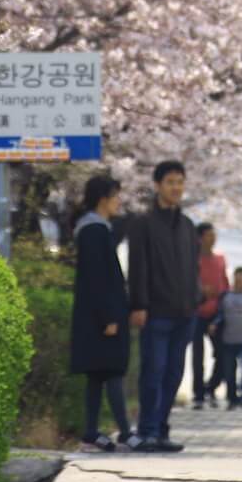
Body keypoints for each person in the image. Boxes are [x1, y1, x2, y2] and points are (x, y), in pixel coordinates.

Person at [128, 157, 199, 452]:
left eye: (180, 182)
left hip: (185, 312)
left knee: (173, 374)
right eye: (170, 182)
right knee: (153, 372)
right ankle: (147, 430)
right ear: (157, 186)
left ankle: (162, 428)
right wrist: (138, 305)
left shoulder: (186, 225)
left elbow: (192, 266)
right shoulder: (143, 223)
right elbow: (137, 267)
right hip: (156, 311)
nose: (176, 188)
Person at [69, 174, 137, 450]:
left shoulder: (96, 228)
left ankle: (92, 431)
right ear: (103, 199)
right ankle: (125, 431)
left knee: (98, 375)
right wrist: (109, 316)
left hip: (95, 314)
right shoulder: (94, 231)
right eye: (115, 196)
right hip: (102, 316)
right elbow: (98, 278)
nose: (119, 202)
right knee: (112, 373)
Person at [193, 222, 229, 409]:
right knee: (197, 356)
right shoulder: (193, 260)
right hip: (197, 313)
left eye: (214, 235)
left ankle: (211, 387)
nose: (212, 238)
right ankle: (198, 394)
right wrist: (201, 292)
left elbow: (225, 284)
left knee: (222, 354)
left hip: (217, 313)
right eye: (208, 235)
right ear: (199, 238)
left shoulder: (221, 259)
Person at [216, 266, 242, 410]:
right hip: (228, 339)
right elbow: (220, 314)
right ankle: (232, 398)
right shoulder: (225, 296)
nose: (239, 280)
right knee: (229, 371)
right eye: (237, 276)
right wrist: (214, 324)